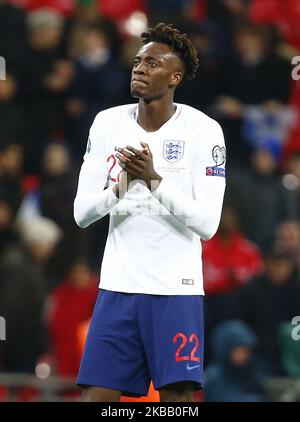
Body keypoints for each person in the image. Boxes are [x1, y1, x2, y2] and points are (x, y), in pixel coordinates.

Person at [74, 23, 226, 402]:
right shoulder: (107, 123)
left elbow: (208, 224)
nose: (140, 68)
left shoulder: (203, 131)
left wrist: (154, 180)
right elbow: (81, 214)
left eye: (153, 63)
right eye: (138, 61)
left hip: (175, 292)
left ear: (175, 77)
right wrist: (121, 188)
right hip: (117, 288)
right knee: (96, 398)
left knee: (176, 402)